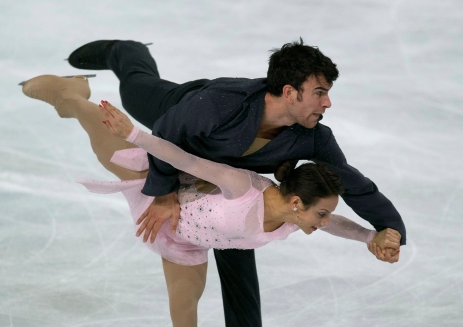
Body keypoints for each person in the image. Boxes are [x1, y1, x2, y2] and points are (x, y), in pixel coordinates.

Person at [64, 38, 406, 327]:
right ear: (289, 92)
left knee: (241, 247)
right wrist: (165, 194)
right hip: (178, 126)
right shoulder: (220, 103)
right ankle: (126, 51)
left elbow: (351, 181)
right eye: (319, 92)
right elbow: (168, 137)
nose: (327, 102)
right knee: (136, 86)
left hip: (227, 194)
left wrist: (387, 229)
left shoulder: (313, 137)